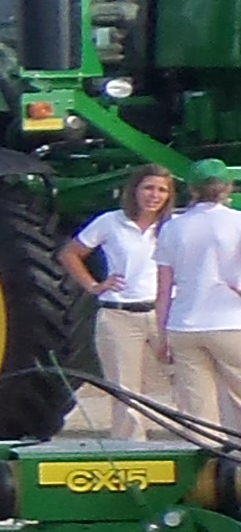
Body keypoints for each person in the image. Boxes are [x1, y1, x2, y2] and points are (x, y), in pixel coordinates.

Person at [69, 164, 178, 432]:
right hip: (119, 313)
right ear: (135, 190)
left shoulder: (174, 226)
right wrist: (94, 285)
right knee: (124, 387)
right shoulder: (111, 222)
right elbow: (70, 253)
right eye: (148, 188)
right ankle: (130, 447)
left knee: (186, 376)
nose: (154, 195)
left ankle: (200, 442)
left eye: (162, 190)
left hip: (162, 312)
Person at [154, 165, 241, 436]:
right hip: (229, 322)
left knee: (199, 408)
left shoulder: (173, 227)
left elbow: (164, 288)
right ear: (227, 188)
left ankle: (208, 466)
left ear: (191, 190)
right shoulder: (237, 221)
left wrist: (162, 335)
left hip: (183, 324)